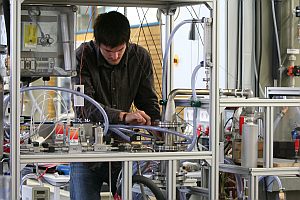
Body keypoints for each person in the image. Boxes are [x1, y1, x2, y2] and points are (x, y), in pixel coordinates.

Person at [70, 11, 161, 200]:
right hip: (87, 154)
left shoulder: (140, 57)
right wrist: (122, 116)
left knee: (138, 195)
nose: (115, 55)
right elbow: (83, 106)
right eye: (108, 51)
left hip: (124, 152)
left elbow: (148, 102)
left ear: (128, 41)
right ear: (97, 44)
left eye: (120, 49)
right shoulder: (83, 55)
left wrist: (157, 125)